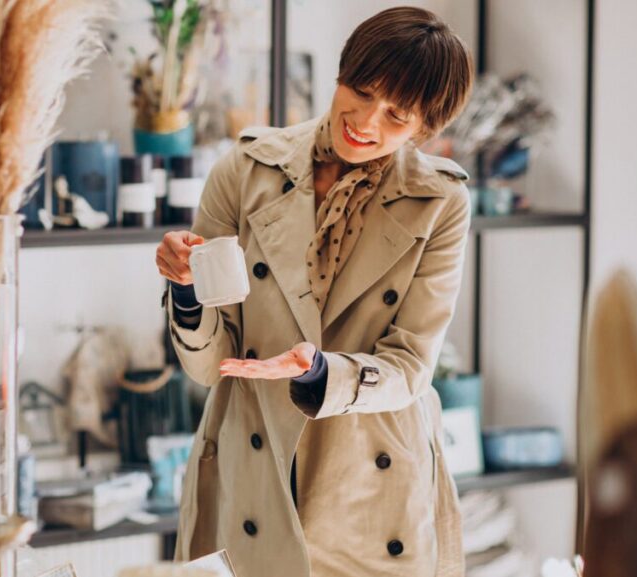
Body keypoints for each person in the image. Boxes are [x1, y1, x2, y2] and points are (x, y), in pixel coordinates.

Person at [155, 7, 474, 577]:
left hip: (371, 486)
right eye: (360, 89)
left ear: (426, 127)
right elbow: (209, 368)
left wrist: (321, 374)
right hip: (252, 465)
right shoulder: (245, 170)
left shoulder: (441, 203)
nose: (366, 120)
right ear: (341, 71)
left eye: (397, 115)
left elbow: (409, 364)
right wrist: (185, 290)